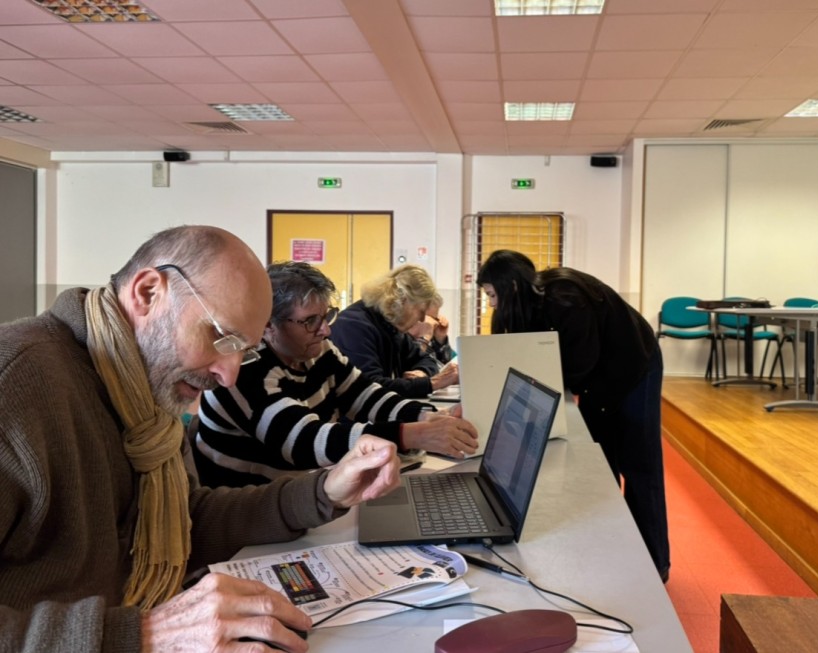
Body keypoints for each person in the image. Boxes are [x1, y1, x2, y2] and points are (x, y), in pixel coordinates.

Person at [0, 225, 401, 652]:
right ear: (149, 293)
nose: (228, 375)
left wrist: (323, 492)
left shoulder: (144, 391)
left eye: (244, 350)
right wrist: (142, 635)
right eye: (220, 337)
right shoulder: (15, 382)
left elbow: (185, 520)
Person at [193, 261, 478, 487]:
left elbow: (366, 395)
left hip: (302, 493)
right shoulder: (245, 367)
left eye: (326, 316)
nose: (326, 330)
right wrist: (412, 434)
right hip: (253, 508)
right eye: (310, 321)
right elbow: (303, 441)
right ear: (268, 325)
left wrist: (427, 417)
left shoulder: (317, 351)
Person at [476, 249, 670, 582]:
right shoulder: (521, 308)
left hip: (635, 365)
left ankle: (655, 564)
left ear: (512, 287)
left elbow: (579, 367)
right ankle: (616, 548)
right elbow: (515, 357)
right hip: (598, 376)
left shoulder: (566, 297)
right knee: (600, 463)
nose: (492, 304)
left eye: (493, 295)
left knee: (639, 465)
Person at [329, 264, 459, 398]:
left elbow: (425, 359)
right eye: (421, 311)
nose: (422, 319)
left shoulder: (390, 325)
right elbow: (369, 388)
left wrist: (422, 372)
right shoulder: (353, 326)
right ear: (403, 301)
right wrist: (431, 383)